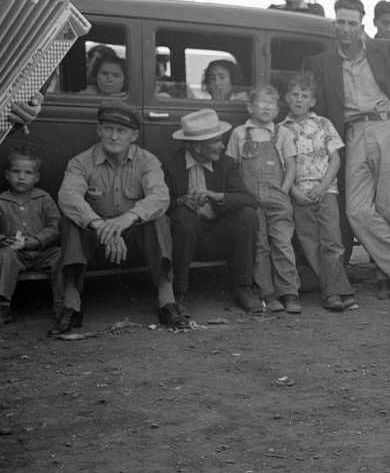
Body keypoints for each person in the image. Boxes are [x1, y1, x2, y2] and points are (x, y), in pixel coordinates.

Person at [302, 0, 390, 298]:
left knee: (389, 207)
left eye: (352, 23)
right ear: (335, 23)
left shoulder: (382, 48)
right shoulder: (323, 61)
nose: (346, 29)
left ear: (361, 24)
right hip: (354, 132)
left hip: (389, 126)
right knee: (356, 210)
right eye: (341, 22)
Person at [53, 102, 185, 336]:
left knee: (159, 220)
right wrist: (100, 224)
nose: (113, 136)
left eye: (121, 131)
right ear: (98, 130)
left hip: (134, 238)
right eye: (108, 129)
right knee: (70, 223)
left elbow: (160, 197)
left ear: (134, 135)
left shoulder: (147, 161)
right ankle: (71, 305)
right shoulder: (80, 162)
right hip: (96, 239)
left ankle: (167, 301)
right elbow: (68, 196)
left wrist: (127, 219)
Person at [163, 109, 260, 313]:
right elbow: (159, 202)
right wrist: (181, 200)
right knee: (184, 218)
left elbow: (249, 199)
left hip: (217, 236)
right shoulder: (172, 165)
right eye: (216, 141)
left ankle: (244, 287)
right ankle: (178, 293)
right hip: (184, 237)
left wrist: (219, 196)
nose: (222, 146)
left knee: (248, 215)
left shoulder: (226, 164)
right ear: (197, 146)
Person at [281, 73, 356, 312]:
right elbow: (282, 166)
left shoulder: (324, 124)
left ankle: (332, 291)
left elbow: (335, 159)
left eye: (304, 96)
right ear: (286, 98)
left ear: (312, 101)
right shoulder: (281, 130)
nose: (299, 100)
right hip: (300, 193)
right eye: (295, 95)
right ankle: (335, 291)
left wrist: (323, 186)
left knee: (332, 241)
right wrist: (293, 192)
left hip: (326, 190)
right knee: (310, 243)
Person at [225, 85, 300, 314]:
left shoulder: (282, 133)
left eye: (273, 103)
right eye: (262, 102)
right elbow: (232, 167)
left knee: (283, 243)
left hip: (277, 197)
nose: (268, 107)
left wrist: (284, 191)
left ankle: (289, 292)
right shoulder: (239, 133)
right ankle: (267, 292)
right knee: (259, 246)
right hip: (251, 199)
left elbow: (291, 165)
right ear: (250, 107)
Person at [0, 150, 61, 324]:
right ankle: (3, 305)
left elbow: (55, 226)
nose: (21, 177)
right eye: (16, 172)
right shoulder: (2, 200)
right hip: (15, 253)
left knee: (62, 255)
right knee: (6, 255)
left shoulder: (44, 198)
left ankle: (62, 303)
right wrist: (6, 239)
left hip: (42, 252)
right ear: (7, 175)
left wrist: (34, 241)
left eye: (28, 173)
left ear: (36, 177)